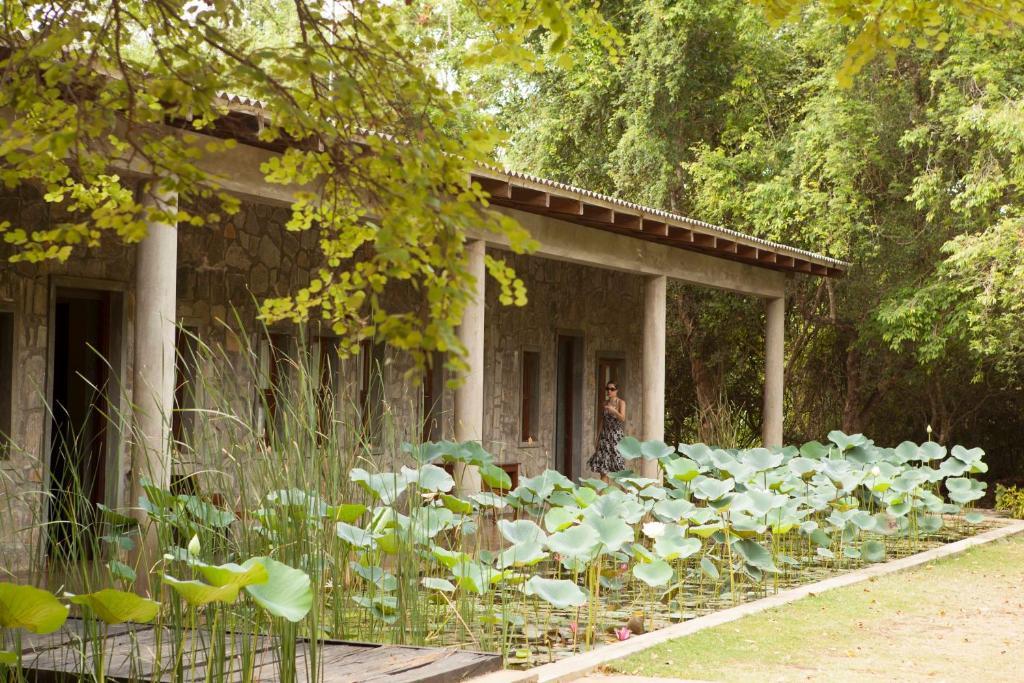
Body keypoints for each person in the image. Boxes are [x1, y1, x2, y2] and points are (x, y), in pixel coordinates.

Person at [586, 382, 626, 481]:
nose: (609, 391)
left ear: (616, 390)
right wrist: (597, 438)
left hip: (616, 438)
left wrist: (614, 411)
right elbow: (602, 421)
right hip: (605, 437)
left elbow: (622, 418)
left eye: (612, 389)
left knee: (618, 467)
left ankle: (626, 494)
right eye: (607, 389)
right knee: (603, 468)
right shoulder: (605, 403)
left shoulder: (621, 402)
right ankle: (603, 495)